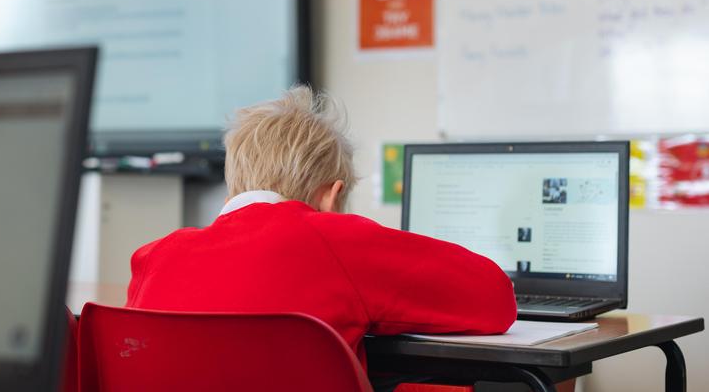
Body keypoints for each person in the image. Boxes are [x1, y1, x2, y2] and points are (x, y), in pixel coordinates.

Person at [126, 86, 516, 390]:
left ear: (233, 192)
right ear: (331, 196)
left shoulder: (156, 257)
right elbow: (494, 299)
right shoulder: (334, 239)